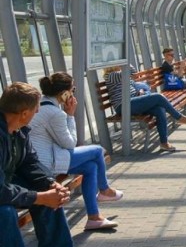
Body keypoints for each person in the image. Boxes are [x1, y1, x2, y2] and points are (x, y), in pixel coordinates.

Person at [1, 82, 91, 247]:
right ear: (24, 113)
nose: (38, 112)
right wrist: (39, 197)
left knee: (50, 193)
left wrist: (50, 183)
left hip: (6, 182)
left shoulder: (19, 130)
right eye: (36, 109)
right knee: (5, 213)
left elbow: (30, 162)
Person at [29, 72, 122, 231]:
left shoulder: (44, 105)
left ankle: (94, 218)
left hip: (47, 159)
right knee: (98, 150)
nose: (73, 93)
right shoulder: (55, 113)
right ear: (63, 93)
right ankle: (105, 190)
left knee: (91, 167)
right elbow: (70, 144)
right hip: (47, 164)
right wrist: (70, 115)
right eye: (73, 89)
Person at [103, 66, 186, 152]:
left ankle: (164, 143)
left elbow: (133, 75)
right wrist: (125, 62)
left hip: (133, 102)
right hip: (123, 106)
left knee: (159, 109)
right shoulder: (110, 76)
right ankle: (178, 117)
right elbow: (131, 72)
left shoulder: (121, 74)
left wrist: (139, 92)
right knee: (158, 97)